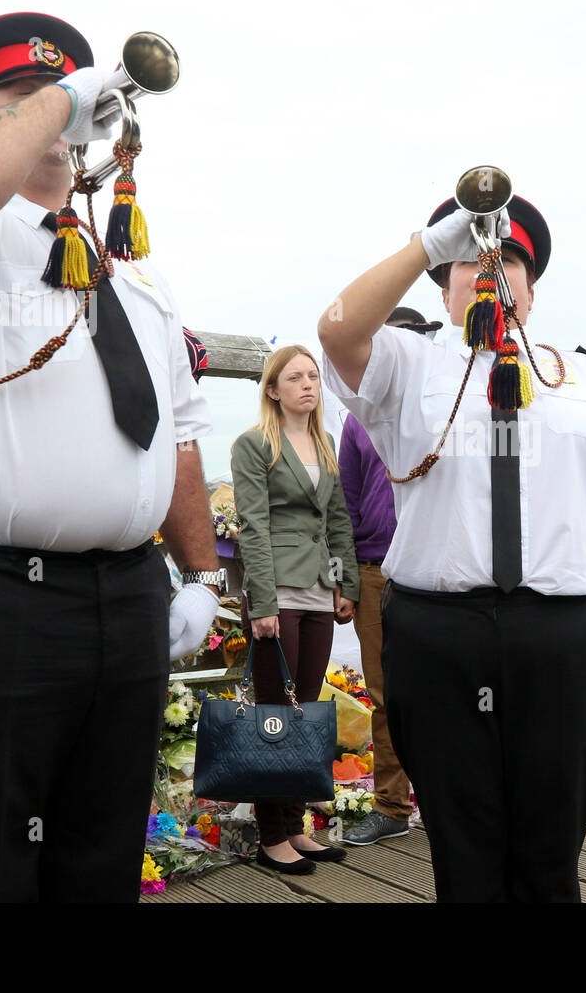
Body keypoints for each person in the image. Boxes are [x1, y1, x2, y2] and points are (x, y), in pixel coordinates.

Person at [0, 13, 219, 901]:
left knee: (100, 859)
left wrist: (201, 576)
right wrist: (65, 94)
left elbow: (175, 433)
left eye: (64, 97)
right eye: (17, 102)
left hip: (126, 595)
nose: (57, 120)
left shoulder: (135, 274)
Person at [317, 190, 586, 901]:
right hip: (442, 635)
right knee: (463, 838)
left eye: (507, 261)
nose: (488, 272)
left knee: (551, 838)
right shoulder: (409, 366)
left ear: (532, 290)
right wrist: (430, 241)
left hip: (560, 633)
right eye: (467, 262)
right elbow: (337, 331)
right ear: (444, 286)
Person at [231, 344, 360, 873]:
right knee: (274, 716)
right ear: (272, 389)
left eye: (313, 376)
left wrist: (344, 582)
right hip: (276, 595)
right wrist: (261, 602)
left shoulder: (325, 443)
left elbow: (337, 522)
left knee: (304, 713)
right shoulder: (253, 445)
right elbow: (253, 526)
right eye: (295, 377)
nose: (308, 384)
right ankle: (270, 837)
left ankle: (294, 827)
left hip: (317, 596)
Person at [337, 307, 441, 846]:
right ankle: (392, 806)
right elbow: (345, 505)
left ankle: (452, 799)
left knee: (451, 692)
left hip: (439, 577)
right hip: (376, 572)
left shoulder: (445, 411)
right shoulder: (357, 419)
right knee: (384, 695)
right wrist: (346, 579)